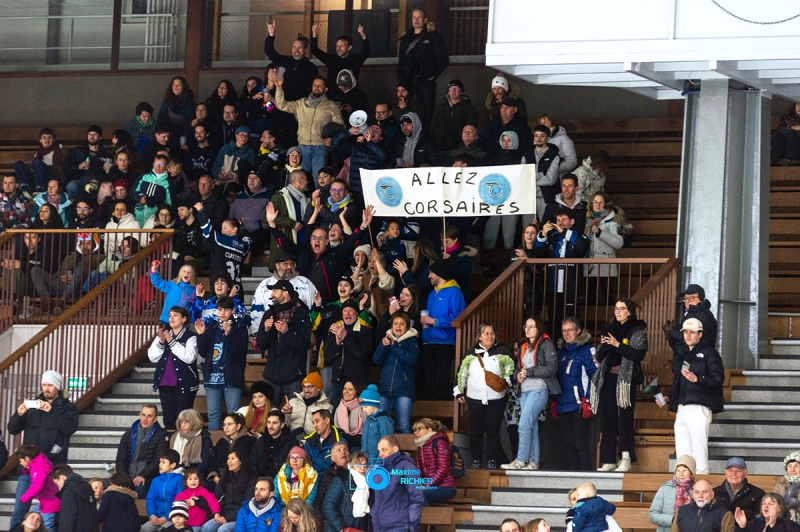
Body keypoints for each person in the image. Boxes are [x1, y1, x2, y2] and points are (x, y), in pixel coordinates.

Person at [7, 370, 78, 530]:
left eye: (50, 385)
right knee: (20, 509)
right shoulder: (34, 406)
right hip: (29, 467)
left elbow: (71, 428)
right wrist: (18, 414)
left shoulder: (67, 408)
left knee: (50, 513)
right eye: (44, 385)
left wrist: (51, 411)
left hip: (53, 469)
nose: (46, 388)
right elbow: (12, 429)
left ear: (58, 387)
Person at [660, 318, 724, 475]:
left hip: (699, 407)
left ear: (700, 334)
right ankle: (683, 491)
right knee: (683, 456)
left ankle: (701, 490)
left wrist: (698, 379)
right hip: (682, 408)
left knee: (699, 454)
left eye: (692, 332)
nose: (688, 335)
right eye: (685, 332)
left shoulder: (710, 353)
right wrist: (669, 396)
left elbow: (718, 379)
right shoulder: (683, 354)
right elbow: (680, 383)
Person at [591, 298, 647, 472]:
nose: (618, 311)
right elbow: (600, 356)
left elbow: (638, 355)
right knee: (608, 418)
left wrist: (617, 344)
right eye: (616, 308)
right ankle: (608, 460)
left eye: (622, 309)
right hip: (609, 377)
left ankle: (626, 457)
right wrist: (606, 346)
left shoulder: (637, 330)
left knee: (624, 419)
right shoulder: (610, 329)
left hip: (626, 380)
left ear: (629, 311)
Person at [501, 317, 559, 471]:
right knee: (531, 427)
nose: (527, 329)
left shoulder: (546, 344)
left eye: (531, 326)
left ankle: (520, 460)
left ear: (538, 328)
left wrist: (529, 372)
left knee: (524, 425)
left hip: (539, 389)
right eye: (526, 326)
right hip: (524, 390)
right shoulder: (524, 347)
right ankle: (533, 462)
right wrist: (517, 375)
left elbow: (552, 367)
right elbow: (518, 369)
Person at [455, 322, 514, 469]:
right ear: (479, 336)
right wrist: (459, 392)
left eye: (492, 333)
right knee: (476, 431)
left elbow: (511, 370)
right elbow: (462, 373)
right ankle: (476, 460)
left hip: (497, 399)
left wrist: (506, 383)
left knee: (493, 431)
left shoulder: (503, 351)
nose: (489, 336)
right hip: (475, 399)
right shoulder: (470, 353)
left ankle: (492, 460)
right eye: (486, 333)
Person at [275, 76, 344, 184]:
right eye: (315, 85)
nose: (316, 87)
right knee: (301, 181)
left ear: (325, 89)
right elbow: (281, 105)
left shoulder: (331, 106)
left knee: (319, 181)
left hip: (320, 148)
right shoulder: (301, 103)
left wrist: (332, 139)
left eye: (320, 85)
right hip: (302, 146)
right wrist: (279, 87)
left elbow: (340, 126)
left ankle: (318, 200)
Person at [255, 281, 313, 406]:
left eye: (275, 291)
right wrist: (265, 331)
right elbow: (261, 345)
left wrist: (287, 332)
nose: (272, 294)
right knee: (267, 416)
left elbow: (305, 345)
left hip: (293, 377)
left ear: (285, 293)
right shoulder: (269, 314)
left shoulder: (302, 314)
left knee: (294, 417)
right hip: (271, 376)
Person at [535, 208, 590, 340]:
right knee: (554, 321)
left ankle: (573, 348)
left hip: (571, 288)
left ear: (572, 221)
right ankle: (556, 350)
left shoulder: (579, 236)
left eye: (564, 219)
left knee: (572, 321)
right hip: (553, 288)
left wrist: (565, 232)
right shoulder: (552, 237)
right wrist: (542, 234)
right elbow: (538, 253)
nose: (560, 222)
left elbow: (582, 247)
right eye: (558, 220)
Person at [196, 296, 249, 430]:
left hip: (231, 377)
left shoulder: (240, 327)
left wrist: (229, 334)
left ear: (232, 310)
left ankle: (234, 447)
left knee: (234, 414)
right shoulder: (212, 327)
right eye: (220, 309)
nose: (223, 312)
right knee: (213, 415)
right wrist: (201, 335)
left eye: (226, 309)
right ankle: (213, 448)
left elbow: (240, 351)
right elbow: (203, 352)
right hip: (212, 377)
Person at [554, 317, 597, 471]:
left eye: (570, 329)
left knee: (581, 443)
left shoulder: (587, 350)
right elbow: (556, 378)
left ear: (578, 331)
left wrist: (588, 400)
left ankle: (586, 477)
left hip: (580, 404)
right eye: (564, 330)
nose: (567, 333)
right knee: (569, 444)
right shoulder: (560, 352)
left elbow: (594, 375)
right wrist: (555, 400)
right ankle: (572, 478)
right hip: (564, 403)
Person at [148, 306, 199, 430]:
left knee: (184, 419)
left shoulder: (190, 336)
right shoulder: (164, 334)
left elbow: (189, 357)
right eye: (170, 315)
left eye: (175, 315)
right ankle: (170, 447)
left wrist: (171, 342)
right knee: (168, 419)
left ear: (184, 319)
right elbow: (152, 357)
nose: (171, 317)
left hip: (184, 383)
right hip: (165, 382)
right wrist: (161, 342)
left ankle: (183, 448)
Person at [396, 8, 449, 123]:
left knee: (426, 114)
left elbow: (443, 59)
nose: (416, 20)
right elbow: (401, 60)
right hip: (409, 82)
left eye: (419, 17)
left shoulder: (433, 36)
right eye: (414, 17)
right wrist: (401, 79)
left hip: (426, 83)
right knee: (408, 113)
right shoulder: (406, 38)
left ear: (425, 20)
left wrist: (433, 75)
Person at [423, 260, 466, 400]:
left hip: (445, 342)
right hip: (428, 341)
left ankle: (446, 413)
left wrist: (434, 321)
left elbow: (458, 316)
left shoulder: (454, 291)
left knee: (443, 379)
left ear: (439, 274)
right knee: (429, 381)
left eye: (431, 273)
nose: (428, 276)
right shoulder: (431, 294)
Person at [250, 250, 317, 336]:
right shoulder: (264, 285)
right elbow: (256, 311)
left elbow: (315, 308)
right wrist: (259, 333)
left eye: (291, 264)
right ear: (277, 266)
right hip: (272, 336)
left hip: (300, 336)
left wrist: (311, 332)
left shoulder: (305, 283)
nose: (289, 267)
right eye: (285, 264)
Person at [372, 312, 419, 434]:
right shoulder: (387, 339)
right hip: (385, 389)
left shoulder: (412, 341)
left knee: (403, 426)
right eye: (395, 323)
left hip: (404, 391)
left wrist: (394, 346)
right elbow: (376, 360)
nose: (398, 326)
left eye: (402, 324)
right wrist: (383, 346)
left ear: (407, 327)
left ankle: (406, 453)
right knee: (381, 425)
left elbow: (410, 359)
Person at [324, 299, 374, 406]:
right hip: (338, 382)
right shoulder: (334, 331)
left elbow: (360, 352)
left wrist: (345, 337)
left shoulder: (366, 332)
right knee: (337, 415)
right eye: (344, 310)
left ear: (356, 313)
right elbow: (327, 357)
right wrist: (337, 343)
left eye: (350, 310)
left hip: (358, 382)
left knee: (358, 417)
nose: (347, 313)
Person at [115, 404, 169, 498]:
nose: (145, 419)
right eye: (143, 415)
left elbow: (158, 459)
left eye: (149, 416)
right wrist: (124, 478)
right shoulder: (128, 434)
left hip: (148, 477)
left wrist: (143, 475)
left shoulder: (161, 435)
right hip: (128, 476)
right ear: (139, 415)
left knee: (140, 487)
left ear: (155, 419)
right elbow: (121, 458)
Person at [371, 436, 424, 532]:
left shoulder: (407, 466)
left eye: (384, 450)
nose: (381, 454)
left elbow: (416, 498)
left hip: (398, 526)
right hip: (378, 526)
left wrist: (412, 526)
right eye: (379, 451)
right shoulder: (378, 469)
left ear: (395, 449)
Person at [197, 206, 252, 295]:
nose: (222, 231)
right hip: (237, 289)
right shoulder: (242, 245)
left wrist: (201, 211)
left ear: (234, 229)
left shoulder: (222, 240)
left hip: (221, 289)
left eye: (225, 228)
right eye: (222, 228)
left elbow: (207, 230)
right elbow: (248, 240)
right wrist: (242, 227)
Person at [584, 192, 625, 303]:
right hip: (589, 265)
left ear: (606, 204)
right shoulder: (588, 221)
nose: (597, 205)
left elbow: (619, 243)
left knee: (608, 299)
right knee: (590, 300)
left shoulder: (612, 222)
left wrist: (600, 232)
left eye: (601, 202)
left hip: (605, 265)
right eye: (595, 202)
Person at [311, 24, 370, 101]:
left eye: (342, 46)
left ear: (349, 47)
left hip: (350, 101)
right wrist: (314, 34)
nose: (338, 48)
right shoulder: (332, 60)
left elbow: (366, 51)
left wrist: (363, 35)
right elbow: (314, 50)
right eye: (337, 46)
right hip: (333, 100)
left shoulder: (355, 60)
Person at [264, 22, 318, 102]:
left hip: (300, 106)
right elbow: (269, 51)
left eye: (299, 48)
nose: (296, 50)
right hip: (282, 104)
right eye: (294, 47)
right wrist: (271, 35)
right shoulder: (285, 61)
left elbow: (312, 90)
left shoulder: (311, 67)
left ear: (305, 50)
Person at [430, 79, 478, 165]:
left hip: (456, 150)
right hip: (438, 148)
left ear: (461, 92)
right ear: (448, 91)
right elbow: (433, 126)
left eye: (456, 88)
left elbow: (471, 128)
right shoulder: (440, 107)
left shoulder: (468, 109)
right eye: (451, 88)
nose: (453, 91)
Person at [331, 124, 388, 196]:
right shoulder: (356, 147)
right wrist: (349, 132)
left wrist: (369, 142)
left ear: (381, 138)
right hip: (356, 189)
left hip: (373, 191)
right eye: (371, 128)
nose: (372, 130)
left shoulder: (382, 150)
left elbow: (383, 156)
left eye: (377, 130)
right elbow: (335, 143)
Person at [267, 170, 310, 263]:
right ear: (299, 180)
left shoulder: (305, 199)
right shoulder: (279, 197)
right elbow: (265, 217)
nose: (308, 182)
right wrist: (291, 223)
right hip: (286, 247)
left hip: (302, 246)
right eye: (306, 179)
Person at [14, 445, 60, 532]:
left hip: (50, 502)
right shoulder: (40, 462)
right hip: (47, 500)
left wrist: (24, 498)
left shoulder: (38, 468)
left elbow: (37, 486)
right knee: (33, 514)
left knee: (46, 525)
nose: (20, 463)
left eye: (20, 461)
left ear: (27, 458)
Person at [321, 452, 370, 532]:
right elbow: (328, 505)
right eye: (358, 464)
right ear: (351, 466)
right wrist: (341, 528)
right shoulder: (341, 480)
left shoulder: (368, 485)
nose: (362, 468)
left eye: (365, 465)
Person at [413, 418, 457, 503]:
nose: (416, 432)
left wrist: (428, 485)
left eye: (419, 429)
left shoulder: (440, 442)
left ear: (429, 430)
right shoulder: (420, 447)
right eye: (415, 430)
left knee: (418, 495)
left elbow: (443, 468)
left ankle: (424, 516)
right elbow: (419, 470)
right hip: (430, 486)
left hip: (446, 486)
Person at [648, 455, 696, 532]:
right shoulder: (664, 489)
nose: (681, 474)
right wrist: (674, 520)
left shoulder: (696, 491)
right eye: (678, 470)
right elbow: (652, 515)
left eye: (684, 470)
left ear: (691, 472)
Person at [480, 97, 532, 167]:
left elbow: (526, 148)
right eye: (502, 107)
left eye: (507, 108)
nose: (504, 110)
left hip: (514, 163)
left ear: (515, 110)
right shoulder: (491, 125)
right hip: (491, 164)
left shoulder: (522, 128)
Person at [208, 413, 257, 486]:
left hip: (242, 478)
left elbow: (250, 463)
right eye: (224, 425)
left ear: (238, 426)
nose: (226, 427)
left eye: (229, 424)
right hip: (221, 477)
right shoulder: (221, 442)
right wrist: (215, 476)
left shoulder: (249, 441)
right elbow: (214, 461)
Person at [63, 125, 111, 197]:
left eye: (94, 134)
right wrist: (78, 167)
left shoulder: (106, 155)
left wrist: (99, 180)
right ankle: (74, 207)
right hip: (79, 179)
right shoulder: (77, 151)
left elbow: (110, 174)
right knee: (71, 186)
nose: (92, 136)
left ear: (100, 137)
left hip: (97, 181)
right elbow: (66, 168)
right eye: (90, 134)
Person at [666, 284, 719, 350]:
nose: (687, 301)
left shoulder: (702, 315)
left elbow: (691, 339)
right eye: (685, 298)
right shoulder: (691, 313)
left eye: (691, 298)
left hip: (699, 358)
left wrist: (672, 332)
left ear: (700, 299)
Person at [713, 457, 766, 522]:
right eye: (730, 470)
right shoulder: (714, 493)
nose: (734, 474)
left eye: (738, 471)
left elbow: (759, 521)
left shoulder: (758, 494)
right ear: (725, 474)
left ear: (745, 474)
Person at [13, 127, 64, 193]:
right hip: (38, 177)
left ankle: (39, 189)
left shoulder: (61, 150)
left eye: (49, 137)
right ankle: (25, 189)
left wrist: (43, 167)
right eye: (44, 137)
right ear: (40, 140)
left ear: (53, 139)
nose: (47, 140)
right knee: (18, 164)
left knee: (37, 162)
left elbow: (63, 168)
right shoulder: (38, 154)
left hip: (52, 177)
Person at [50, 464, 99, 532]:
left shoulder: (68, 492)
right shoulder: (88, 488)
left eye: (56, 484)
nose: (58, 488)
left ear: (62, 478)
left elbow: (67, 520)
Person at [525, 124, 562, 215]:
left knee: (545, 225)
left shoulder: (554, 155)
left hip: (546, 196)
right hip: (529, 195)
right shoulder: (527, 154)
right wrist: (541, 175)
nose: (539, 138)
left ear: (548, 138)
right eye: (536, 136)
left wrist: (532, 180)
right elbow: (524, 175)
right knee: (528, 226)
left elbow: (550, 179)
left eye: (542, 136)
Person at [169, 409, 214, 478]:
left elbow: (205, 464)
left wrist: (189, 477)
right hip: (174, 475)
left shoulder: (204, 439)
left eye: (186, 422)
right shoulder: (173, 437)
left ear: (194, 422)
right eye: (181, 422)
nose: (182, 425)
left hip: (195, 477)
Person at [251, 410, 296, 479]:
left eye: (274, 423)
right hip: (261, 481)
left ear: (282, 425)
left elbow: (294, 467)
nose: (270, 426)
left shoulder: (291, 442)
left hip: (282, 481)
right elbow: (253, 464)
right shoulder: (261, 441)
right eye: (269, 422)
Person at [357, 384, 394, 461]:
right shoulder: (368, 420)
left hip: (379, 463)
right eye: (362, 407)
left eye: (366, 407)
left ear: (374, 405)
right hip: (367, 462)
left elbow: (387, 444)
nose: (363, 409)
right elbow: (364, 442)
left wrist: (379, 461)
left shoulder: (383, 421)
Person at [158, 76, 196, 143]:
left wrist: (175, 133)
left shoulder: (189, 100)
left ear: (183, 86)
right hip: (168, 131)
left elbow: (188, 119)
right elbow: (161, 116)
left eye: (178, 85)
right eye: (174, 84)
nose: (176, 87)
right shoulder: (167, 99)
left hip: (183, 133)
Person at [734, 493, 799, 532]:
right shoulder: (755, 523)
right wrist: (742, 526)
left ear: (780, 508)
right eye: (763, 503)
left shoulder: (791, 526)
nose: (766, 506)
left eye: (770, 504)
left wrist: (773, 526)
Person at [774, 452, 800, 523]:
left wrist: (797, 504)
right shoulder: (780, 484)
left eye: (796, 466)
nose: (792, 469)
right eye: (789, 466)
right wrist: (785, 502)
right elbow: (773, 503)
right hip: (783, 521)